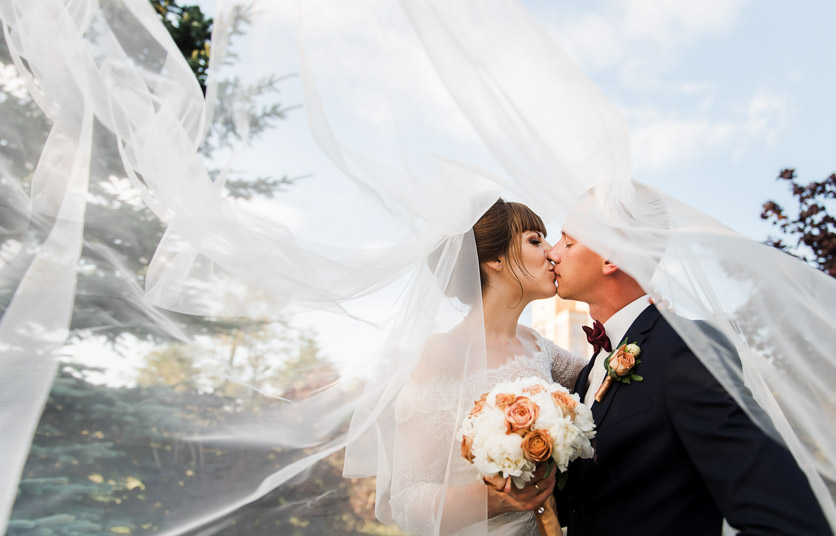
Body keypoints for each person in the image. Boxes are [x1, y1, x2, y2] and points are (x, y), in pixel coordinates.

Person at [546, 229, 832, 535]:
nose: (553, 252)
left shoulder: (684, 347)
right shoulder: (587, 374)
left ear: (611, 259)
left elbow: (788, 519)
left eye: (569, 242)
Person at [388, 198, 586, 535]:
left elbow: (603, 378)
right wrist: (497, 499)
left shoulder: (538, 346)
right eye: (535, 240)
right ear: (494, 259)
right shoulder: (441, 354)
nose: (552, 252)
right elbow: (406, 500)